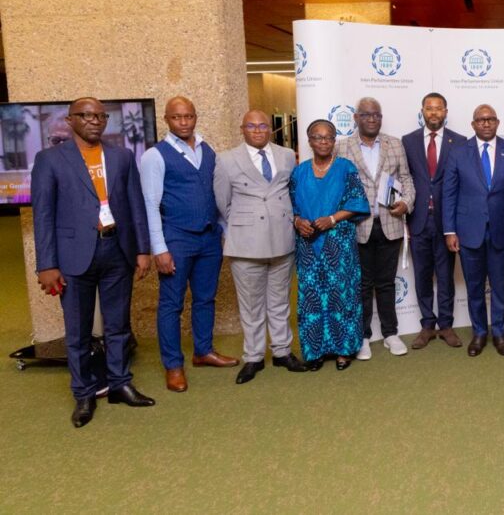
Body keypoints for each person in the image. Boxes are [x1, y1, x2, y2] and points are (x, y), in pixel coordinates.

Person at [31, 97, 155, 428]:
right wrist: (47, 265)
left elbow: (135, 205)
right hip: (73, 256)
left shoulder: (122, 157)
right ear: (71, 120)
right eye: (85, 115)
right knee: (78, 331)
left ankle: (119, 383)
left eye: (100, 116)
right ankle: (84, 393)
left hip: (117, 250)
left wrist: (142, 249)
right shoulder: (49, 160)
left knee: (118, 325)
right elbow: (43, 216)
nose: (94, 121)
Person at [140, 96, 237, 393]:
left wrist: (222, 230)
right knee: (172, 304)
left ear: (195, 117)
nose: (183, 122)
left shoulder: (208, 150)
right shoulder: (154, 156)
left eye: (188, 117)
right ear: (167, 120)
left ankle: (202, 351)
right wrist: (160, 249)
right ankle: (173, 365)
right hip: (176, 239)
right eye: (177, 117)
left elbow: (216, 195)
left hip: (208, 238)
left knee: (206, 298)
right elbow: (150, 205)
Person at [214, 109, 307, 385]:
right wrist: (245, 223)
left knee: (279, 302)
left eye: (263, 126)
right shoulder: (226, 159)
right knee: (251, 306)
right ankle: (253, 357)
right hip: (246, 243)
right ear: (242, 129)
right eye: (251, 126)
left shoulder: (287, 156)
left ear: (271, 129)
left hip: (282, 240)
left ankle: (282, 351)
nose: (257, 130)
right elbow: (222, 202)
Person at [443, 104, 504, 357]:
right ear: (473, 124)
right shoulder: (459, 152)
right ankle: (480, 333)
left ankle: (499, 333)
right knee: (474, 287)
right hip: (468, 231)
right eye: (481, 120)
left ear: (497, 122)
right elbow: (449, 194)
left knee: (500, 285)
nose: (485, 123)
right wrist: (450, 230)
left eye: (490, 119)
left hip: (503, 230)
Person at [339, 97, 416, 360]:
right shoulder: (342, 147)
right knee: (361, 284)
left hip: (389, 224)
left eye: (377, 115)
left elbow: (405, 178)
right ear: (356, 117)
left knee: (385, 283)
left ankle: (391, 333)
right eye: (367, 115)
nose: (372, 119)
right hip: (357, 225)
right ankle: (363, 337)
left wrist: (406, 202)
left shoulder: (394, 144)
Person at [290, 119, 370, 371]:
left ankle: (343, 350)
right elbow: (290, 206)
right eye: (318, 137)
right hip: (308, 246)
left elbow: (359, 202)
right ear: (309, 140)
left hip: (339, 245)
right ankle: (315, 351)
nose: (323, 142)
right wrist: (297, 220)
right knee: (311, 297)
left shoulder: (345, 168)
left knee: (341, 296)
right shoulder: (299, 171)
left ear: (334, 141)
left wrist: (333, 218)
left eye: (329, 137)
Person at [401, 92, 467, 349]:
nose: (434, 113)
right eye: (429, 108)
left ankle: (447, 325)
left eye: (438, 108)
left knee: (446, 276)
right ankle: (427, 325)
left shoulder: (459, 142)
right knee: (422, 275)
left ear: (446, 111)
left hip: (447, 221)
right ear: (423, 111)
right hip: (418, 220)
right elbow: (403, 178)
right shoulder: (408, 141)